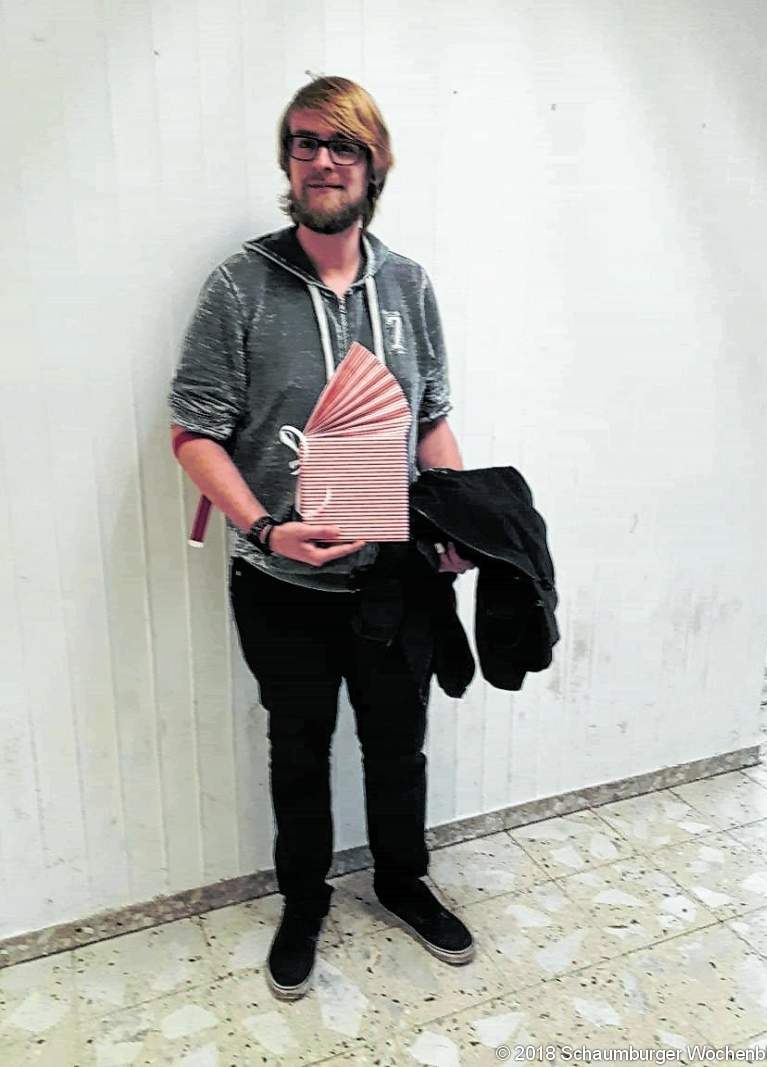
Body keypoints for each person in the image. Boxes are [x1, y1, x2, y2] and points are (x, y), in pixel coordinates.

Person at [168, 74, 476, 1001]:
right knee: (297, 749)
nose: (323, 161)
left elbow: (432, 420)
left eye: (344, 145)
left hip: (396, 582)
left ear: (375, 164)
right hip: (280, 582)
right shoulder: (239, 286)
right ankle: (304, 901)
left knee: (398, 745)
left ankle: (401, 880)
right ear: (288, 162)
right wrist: (266, 528)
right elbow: (193, 432)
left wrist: (458, 521)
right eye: (305, 143)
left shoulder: (409, 284)